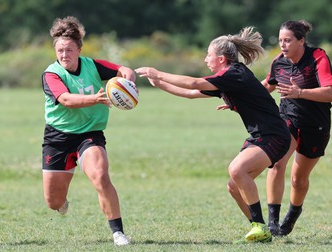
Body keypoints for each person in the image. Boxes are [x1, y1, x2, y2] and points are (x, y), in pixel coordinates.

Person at [135, 27, 291, 243]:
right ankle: (261, 229)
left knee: (237, 169)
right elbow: (191, 93)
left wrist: (158, 72)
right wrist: (160, 83)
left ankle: (258, 226)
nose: (205, 58)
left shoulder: (234, 73)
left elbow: (194, 83)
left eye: (208, 54)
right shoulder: (227, 77)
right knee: (234, 186)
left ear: (220, 58)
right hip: (261, 135)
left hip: (275, 135)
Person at [228, 20, 332, 237]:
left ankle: (292, 216)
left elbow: (329, 91)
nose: (282, 45)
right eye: (280, 40)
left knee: (299, 179)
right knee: (276, 163)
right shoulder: (279, 62)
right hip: (286, 120)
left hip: (316, 124)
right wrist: (239, 101)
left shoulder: (317, 57)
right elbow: (266, 86)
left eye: (288, 40)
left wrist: (300, 93)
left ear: (301, 40)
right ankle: (273, 222)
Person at [41, 16, 135, 246]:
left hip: (89, 134)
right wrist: (95, 99)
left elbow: (124, 70)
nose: (64, 55)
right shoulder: (51, 74)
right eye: (60, 50)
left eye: (69, 50)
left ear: (79, 49)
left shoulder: (92, 65)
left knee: (101, 176)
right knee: (53, 202)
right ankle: (62, 201)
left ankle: (118, 233)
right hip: (58, 137)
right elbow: (65, 99)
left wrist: (128, 83)